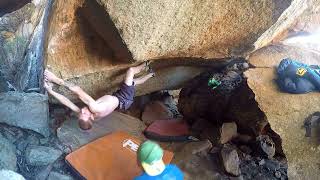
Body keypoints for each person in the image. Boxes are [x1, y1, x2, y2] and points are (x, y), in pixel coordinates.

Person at [44, 62, 155, 130]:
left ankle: (151, 74)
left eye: (81, 114)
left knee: (133, 83)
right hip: (124, 98)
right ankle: (146, 64)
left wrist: (51, 91)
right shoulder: (94, 108)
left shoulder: (87, 115)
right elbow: (78, 90)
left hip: (120, 102)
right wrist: (55, 79)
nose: (82, 111)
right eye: (85, 114)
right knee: (130, 71)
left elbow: (67, 102)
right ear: (91, 117)